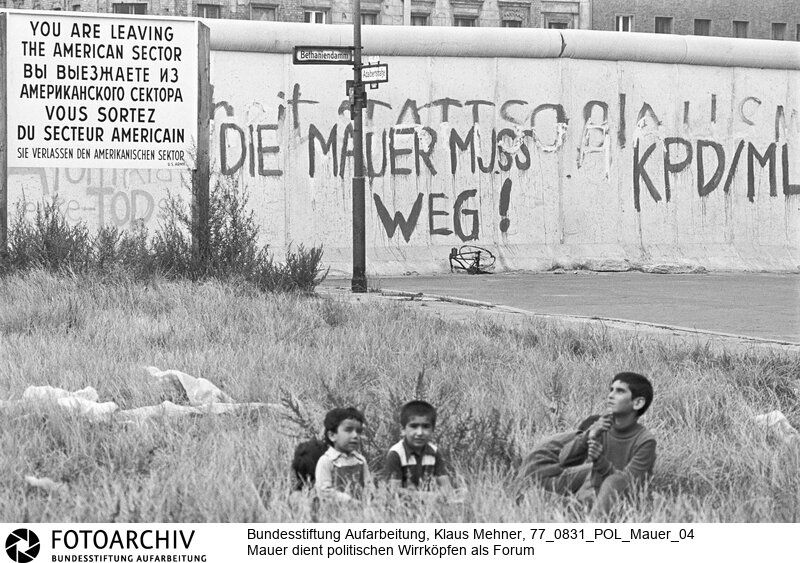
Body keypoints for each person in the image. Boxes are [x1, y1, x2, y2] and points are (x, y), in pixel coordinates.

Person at [559, 371, 657, 515]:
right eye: (611, 390)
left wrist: (600, 461)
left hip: (623, 505)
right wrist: (588, 435)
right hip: (589, 496)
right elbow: (563, 460)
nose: (611, 395)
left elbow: (625, 483)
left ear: (638, 403)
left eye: (620, 391)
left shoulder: (645, 441)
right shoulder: (601, 427)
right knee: (538, 484)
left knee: (611, 482)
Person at [514, 414, 601, 499]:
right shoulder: (580, 438)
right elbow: (565, 459)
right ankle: (582, 503)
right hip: (547, 477)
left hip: (524, 484)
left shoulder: (560, 439)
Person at [384, 400, 453, 493]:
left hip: (430, 500)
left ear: (433, 430)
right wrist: (426, 496)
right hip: (403, 502)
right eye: (414, 426)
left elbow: (446, 487)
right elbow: (394, 491)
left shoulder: (434, 452)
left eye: (426, 426)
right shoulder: (396, 453)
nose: (420, 433)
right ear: (403, 429)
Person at [314, 407, 372, 501]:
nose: (355, 436)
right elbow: (324, 492)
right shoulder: (327, 461)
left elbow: (369, 486)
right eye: (348, 430)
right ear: (332, 435)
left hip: (361, 509)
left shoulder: (360, 460)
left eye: (358, 431)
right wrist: (349, 501)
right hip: (336, 509)